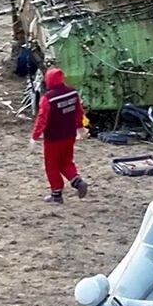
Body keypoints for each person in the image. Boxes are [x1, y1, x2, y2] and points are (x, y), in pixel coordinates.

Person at [29, 67, 90, 204]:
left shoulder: (48, 98)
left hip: (53, 138)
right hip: (69, 135)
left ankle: (56, 194)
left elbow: (42, 119)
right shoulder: (72, 93)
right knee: (66, 161)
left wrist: (35, 136)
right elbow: (78, 112)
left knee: (52, 165)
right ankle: (77, 182)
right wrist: (80, 127)